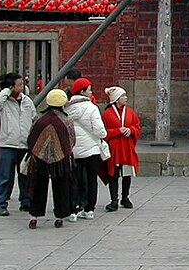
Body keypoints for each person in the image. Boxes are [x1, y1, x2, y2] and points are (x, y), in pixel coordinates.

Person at [26, 89, 76, 229]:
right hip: (61, 159)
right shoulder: (66, 120)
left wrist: (38, 150)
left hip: (39, 159)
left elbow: (31, 137)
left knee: (38, 186)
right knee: (61, 186)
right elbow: (72, 140)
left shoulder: (38, 118)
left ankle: (34, 216)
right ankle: (60, 216)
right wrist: (62, 151)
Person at [0, 72, 37, 216]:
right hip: (8, 143)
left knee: (25, 175)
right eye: (19, 84)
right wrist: (7, 90)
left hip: (24, 144)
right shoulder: (3, 102)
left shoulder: (27, 101)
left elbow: (34, 117)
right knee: (5, 175)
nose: (23, 87)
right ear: (11, 87)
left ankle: (26, 201)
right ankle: (2, 202)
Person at [65, 77, 107, 220]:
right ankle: (89, 209)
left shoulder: (67, 108)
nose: (91, 92)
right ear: (82, 91)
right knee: (91, 180)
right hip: (92, 149)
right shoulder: (91, 108)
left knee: (74, 180)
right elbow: (101, 131)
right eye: (89, 89)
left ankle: (73, 210)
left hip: (74, 149)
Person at [102, 86, 141, 211]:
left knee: (127, 173)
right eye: (123, 96)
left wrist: (131, 130)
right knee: (113, 174)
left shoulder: (130, 112)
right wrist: (117, 131)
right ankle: (114, 200)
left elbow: (137, 127)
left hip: (127, 146)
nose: (126, 98)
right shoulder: (107, 114)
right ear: (116, 99)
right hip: (115, 147)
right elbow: (104, 132)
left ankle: (125, 197)